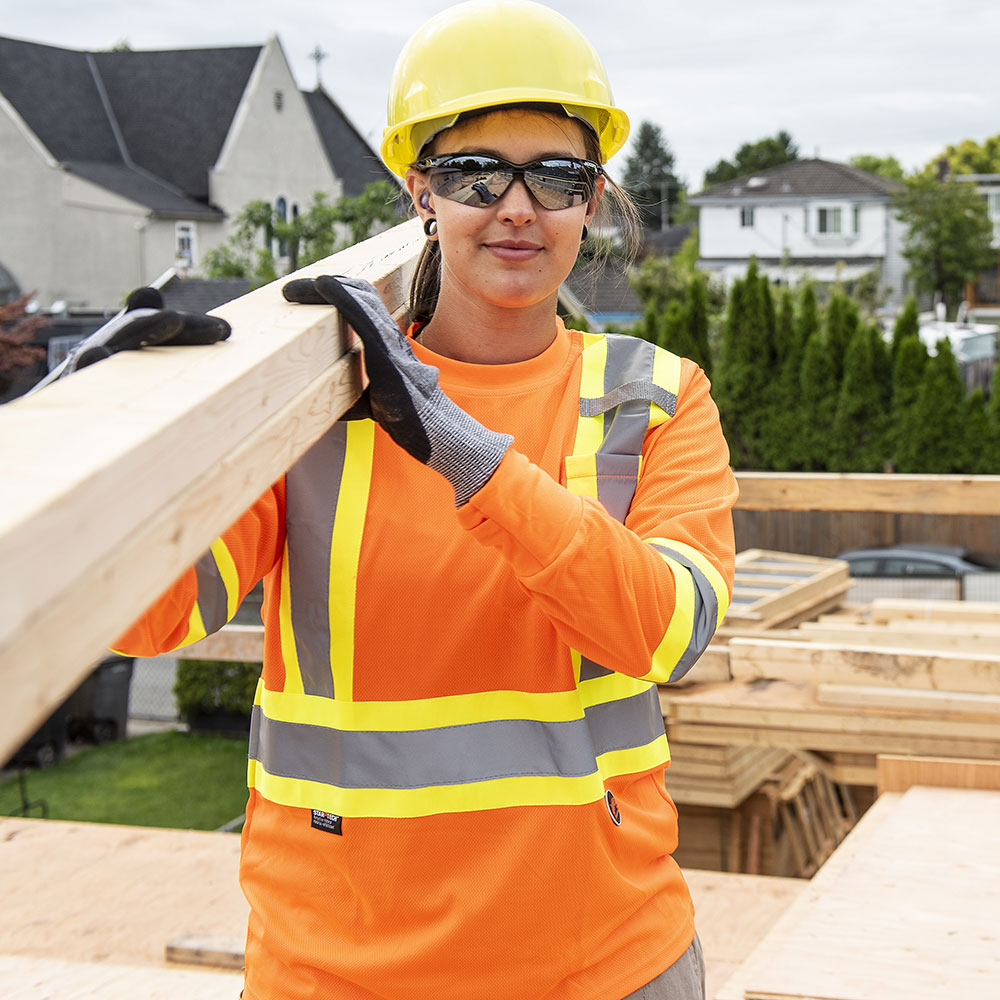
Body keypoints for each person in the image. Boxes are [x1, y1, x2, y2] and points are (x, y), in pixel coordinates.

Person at [113, 2, 737, 997]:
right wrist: (122, 434)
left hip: (601, 965)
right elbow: (146, 615)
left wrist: (462, 452)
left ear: (594, 198)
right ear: (420, 191)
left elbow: (664, 632)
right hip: (335, 972)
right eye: (474, 172)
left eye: (558, 175)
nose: (516, 207)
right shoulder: (314, 404)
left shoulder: (649, 398)